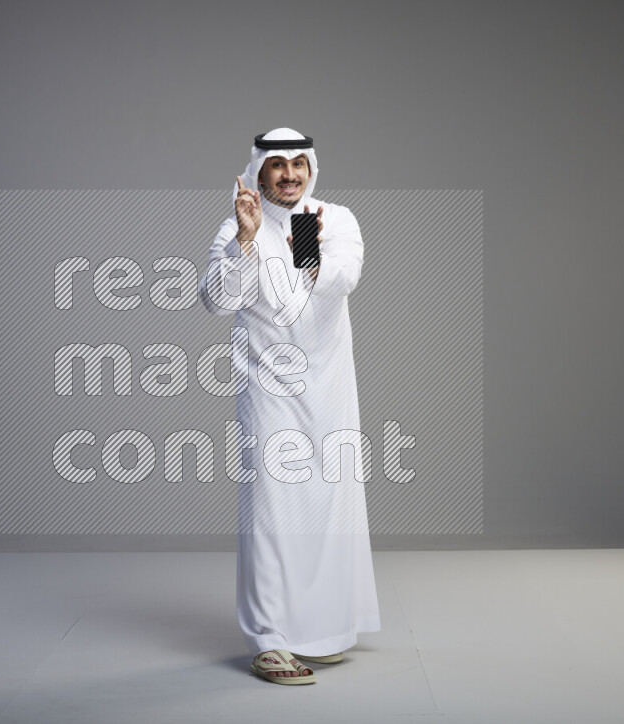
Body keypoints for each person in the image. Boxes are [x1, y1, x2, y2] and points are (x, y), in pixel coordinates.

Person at [198, 128, 381, 685]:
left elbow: (340, 278)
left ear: (312, 168)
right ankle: (271, 641)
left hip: (328, 389)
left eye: (299, 164)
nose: (289, 175)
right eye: (276, 165)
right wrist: (249, 242)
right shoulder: (236, 227)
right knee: (272, 514)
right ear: (258, 171)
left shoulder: (336, 219)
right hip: (268, 394)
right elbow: (215, 299)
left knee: (330, 510)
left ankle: (323, 630)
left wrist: (304, 240)